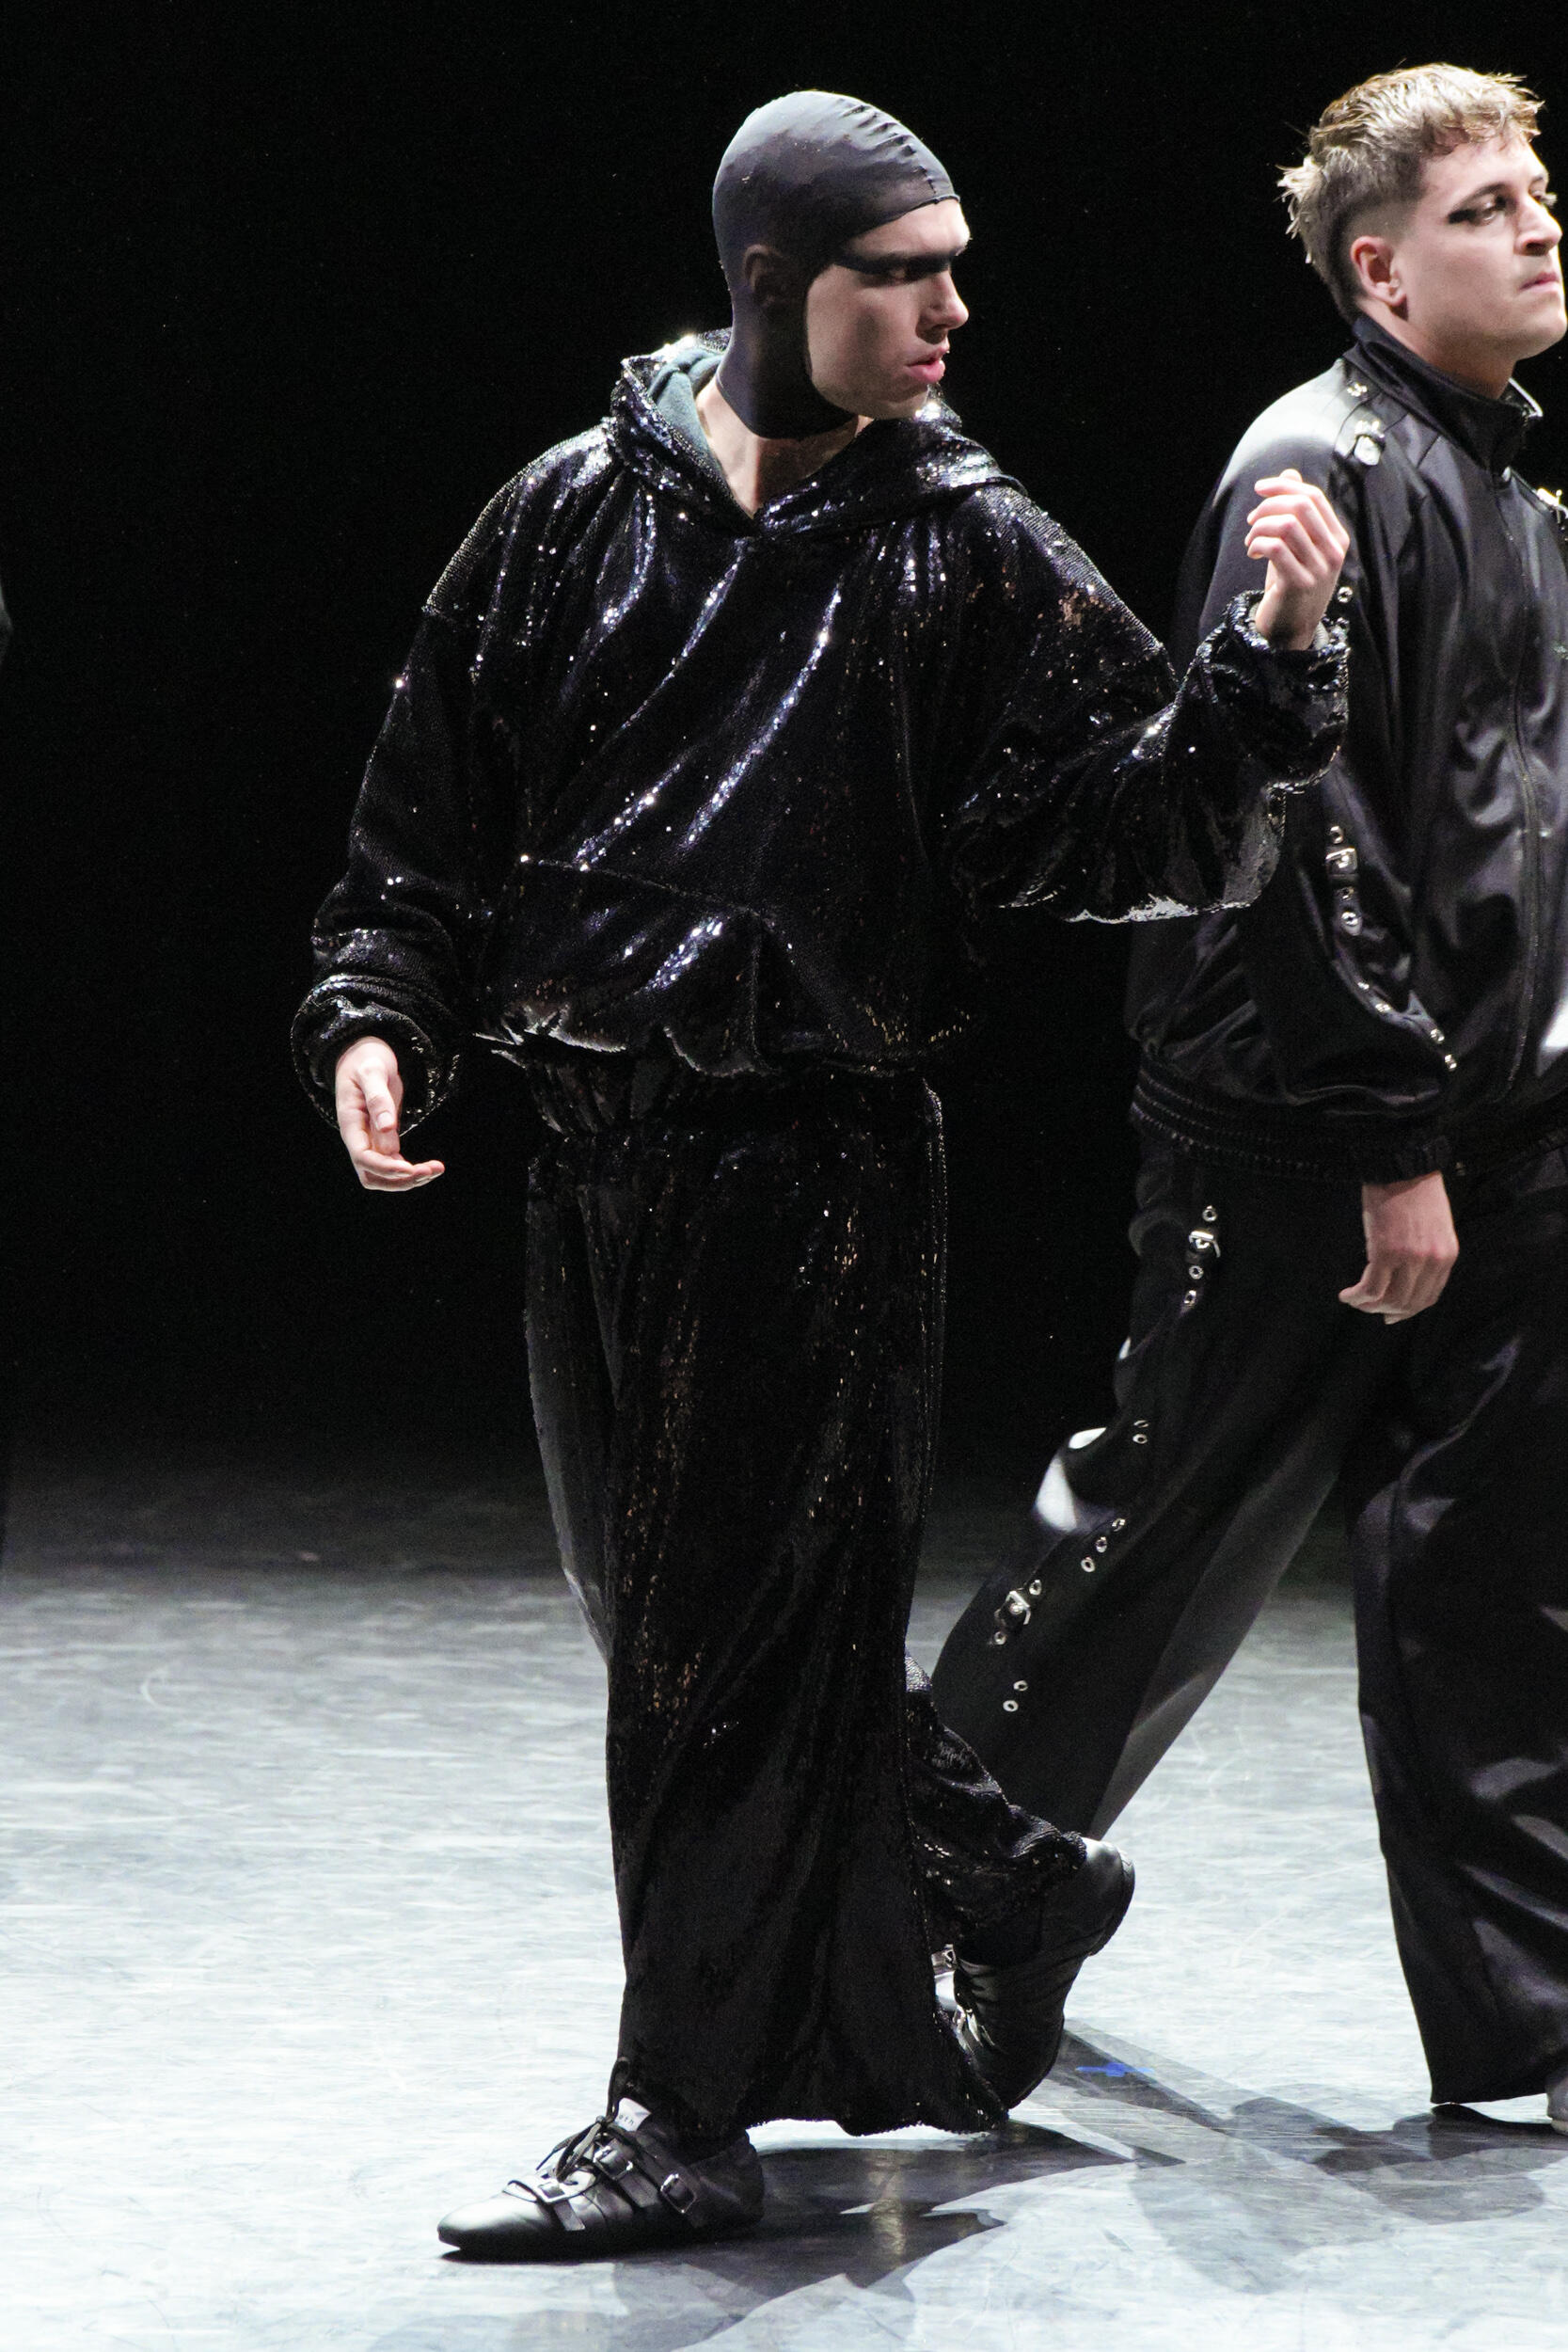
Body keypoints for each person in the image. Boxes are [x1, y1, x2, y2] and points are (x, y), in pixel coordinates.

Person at [292, 90, 1348, 2257]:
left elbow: (1130, 831)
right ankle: (1007, 1876)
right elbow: (427, 806)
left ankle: (676, 2114)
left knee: (710, 1653)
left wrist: (1267, 672)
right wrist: (377, 1008)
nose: (954, 311)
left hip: (816, 1165)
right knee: (678, 1625)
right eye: (906, 274)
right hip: (596, 1153)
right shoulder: (574, 508)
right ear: (777, 281)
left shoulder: (964, 538)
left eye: (958, 270)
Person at [932, 63, 1568, 2135]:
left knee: (1490, 1581)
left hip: (1493, 1126)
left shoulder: (1517, 495)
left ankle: (1539, 2023)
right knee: (1156, 1541)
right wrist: (1391, 1135)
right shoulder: (1317, 467)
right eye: (1483, 207)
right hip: (1306, 1127)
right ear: (1379, 271)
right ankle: (896, 1896)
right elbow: (1300, 833)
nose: (1539, 223)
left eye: (1538, 189)